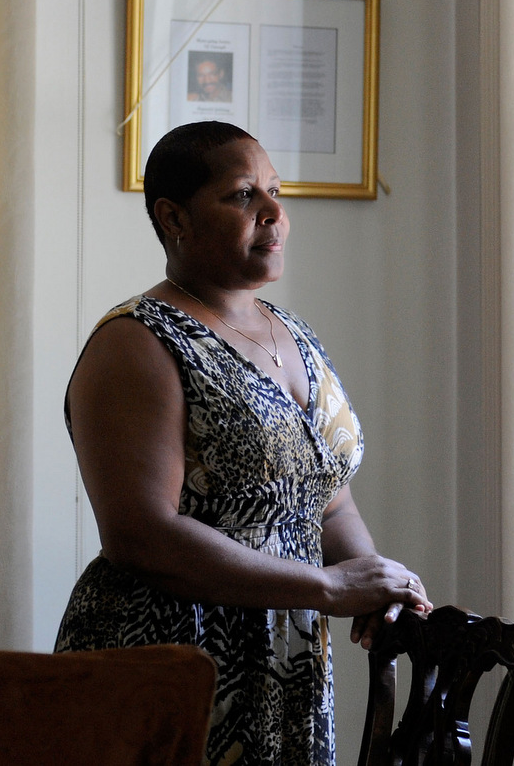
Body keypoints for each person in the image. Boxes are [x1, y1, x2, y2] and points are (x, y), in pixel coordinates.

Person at [54, 121, 432, 766]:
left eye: (277, 193)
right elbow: (141, 533)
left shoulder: (294, 333)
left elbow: (327, 500)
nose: (275, 214)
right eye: (242, 196)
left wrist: (373, 582)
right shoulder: (137, 343)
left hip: (286, 651)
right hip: (173, 657)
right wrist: (328, 588)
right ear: (173, 216)